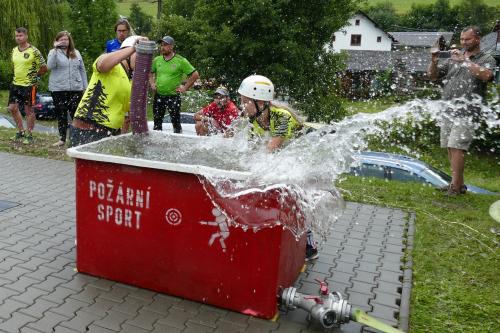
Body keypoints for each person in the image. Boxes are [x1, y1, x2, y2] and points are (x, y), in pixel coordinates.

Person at [238, 75, 319, 260]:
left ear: (260, 102)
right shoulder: (255, 119)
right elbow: (251, 149)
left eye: (245, 102)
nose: (242, 106)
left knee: (297, 196)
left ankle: (310, 243)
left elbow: (270, 149)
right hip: (286, 154)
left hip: (305, 156)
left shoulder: (282, 117)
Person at [427, 26, 495, 196]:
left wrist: (464, 61)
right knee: (450, 147)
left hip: (468, 111)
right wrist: (434, 60)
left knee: (457, 147)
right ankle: (458, 184)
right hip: (448, 108)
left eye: (468, 39)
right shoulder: (453, 58)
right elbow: (433, 76)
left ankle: (455, 188)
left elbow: (487, 76)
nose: (464, 42)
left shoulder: (486, 58)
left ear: (478, 39)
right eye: (462, 39)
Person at [70, 36, 146, 146]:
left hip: (110, 134)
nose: (141, 60)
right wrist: (133, 48)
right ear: (127, 51)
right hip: (87, 130)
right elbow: (102, 64)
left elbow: (129, 114)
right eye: (140, 54)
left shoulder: (129, 80)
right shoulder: (112, 65)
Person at [149, 35, 200, 133]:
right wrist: (152, 83)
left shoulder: (180, 60)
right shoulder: (157, 60)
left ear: (171, 46)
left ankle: (177, 141)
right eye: (161, 45)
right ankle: (156, 144)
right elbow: (150, 72)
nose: (162, 47)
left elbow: (195, 75)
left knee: (176, 123)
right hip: (159, 96)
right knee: (157, 123)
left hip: (173, 97)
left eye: (165, 45)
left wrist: (185, 88)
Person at [47, 31, 88, 147]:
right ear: (57, 41)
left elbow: (82, 70)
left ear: (70, 41)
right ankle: (62, 139)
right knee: (61, 114)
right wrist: (55, 50)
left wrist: (85, 86)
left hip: (76, 88)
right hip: (58, 88)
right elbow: (49, 66)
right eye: (61, 39)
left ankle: (76, 138)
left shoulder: (76, 53)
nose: (64, 41)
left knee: (76, 114)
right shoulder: (53, 52)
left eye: (66, 39)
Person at [8, 27, 47, 144]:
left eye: (20, 36)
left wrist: (36, 77)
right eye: (16, 36)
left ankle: (29, 134)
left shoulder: (34, 51)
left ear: (26, 36)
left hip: (30, 85)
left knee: (28, 110)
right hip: (16, 84)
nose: (18, 38)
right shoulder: (14, 50)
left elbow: (44, 67)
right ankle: (21, 131)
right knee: (13, 108)